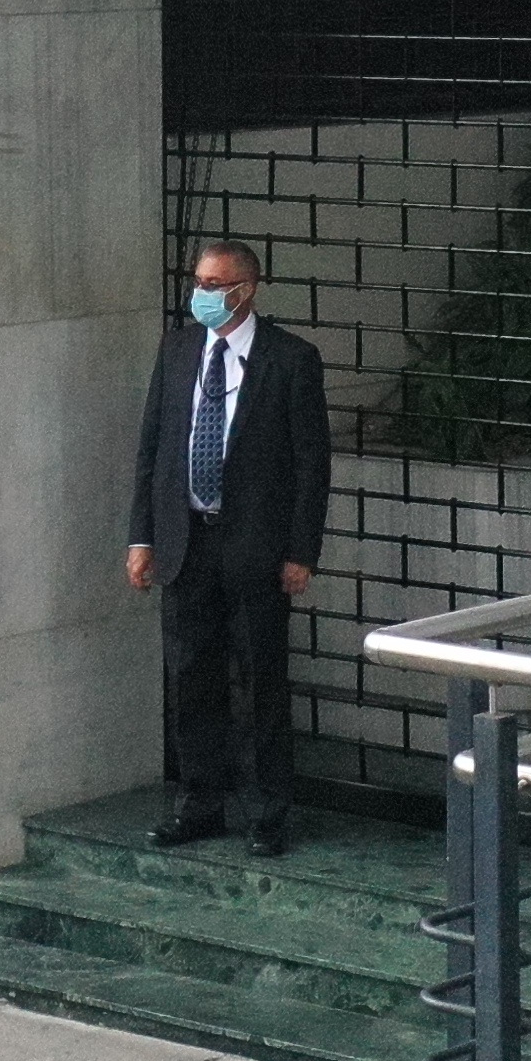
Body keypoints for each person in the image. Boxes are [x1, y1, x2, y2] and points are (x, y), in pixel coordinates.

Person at [124, 235, 330, 856]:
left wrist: (301, 551)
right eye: (200, 283)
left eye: (217, 286)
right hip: (186, 542)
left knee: (260, 680)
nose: (204, 295)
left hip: (255, 550)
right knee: (192, 680)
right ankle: (200, 803)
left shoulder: (290, 359)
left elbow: (310, 463)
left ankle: (267, 812)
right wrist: (142, 536)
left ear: (248, 289)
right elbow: (154, 446)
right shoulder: (180, 347)